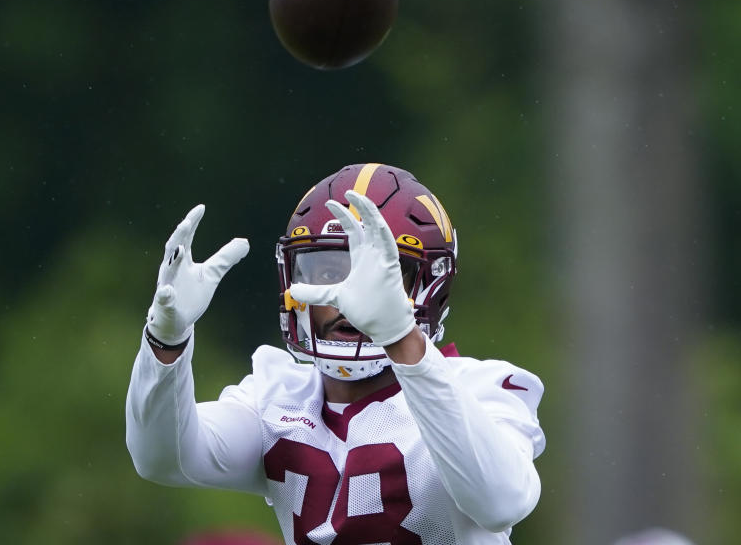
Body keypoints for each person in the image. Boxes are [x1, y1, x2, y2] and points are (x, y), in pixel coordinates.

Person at [126, 163, 546, 544]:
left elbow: (501, 502)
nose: (346, 298)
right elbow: (161, 458)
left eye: (376, 274)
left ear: (429, 288)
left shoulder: (483, 389)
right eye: (328, 272)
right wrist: (166, 341)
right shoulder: (277, 395)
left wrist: (401, 337)